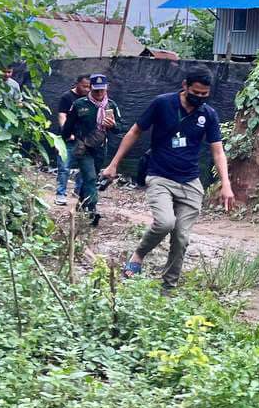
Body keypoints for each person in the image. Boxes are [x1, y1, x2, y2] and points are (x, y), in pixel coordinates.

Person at [101, 67, 235, 290]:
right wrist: (114, 163)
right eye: (196, 93)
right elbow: (135, 131)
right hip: (160, 176)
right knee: (165, 223)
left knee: (181, 237)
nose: (200, 97)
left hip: (190, 181)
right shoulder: (162, 103)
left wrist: (226, 184)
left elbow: (218, 151)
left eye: (204, 94)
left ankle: (168, 286)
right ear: (185, 86)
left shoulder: (208, 114)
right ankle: (138, 255)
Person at [59, 73, 120, 226]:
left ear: (106, 89)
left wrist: (113, 125)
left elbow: (119, 128)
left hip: (100, 149)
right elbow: (68, 126)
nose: (99, 93)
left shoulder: (111, 105)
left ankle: (81, 202)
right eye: (96, 90)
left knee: (90, 179)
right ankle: (92, 211)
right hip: (83, 148)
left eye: (102, 90)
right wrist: (65, 140)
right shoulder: (79, 104)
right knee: (91, 177)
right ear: (91, 88)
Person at [54, 74, 92, 206]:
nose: (87, 89)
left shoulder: (90, 98)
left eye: (89, 87)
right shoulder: (67, 97)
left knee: (85, 167)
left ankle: (78, 191)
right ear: (77, 84)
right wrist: (67, 132)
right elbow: (62, 116)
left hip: (84, 139)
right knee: (64, 167)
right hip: (67, 138)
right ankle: (60, 194)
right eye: (84, 86)